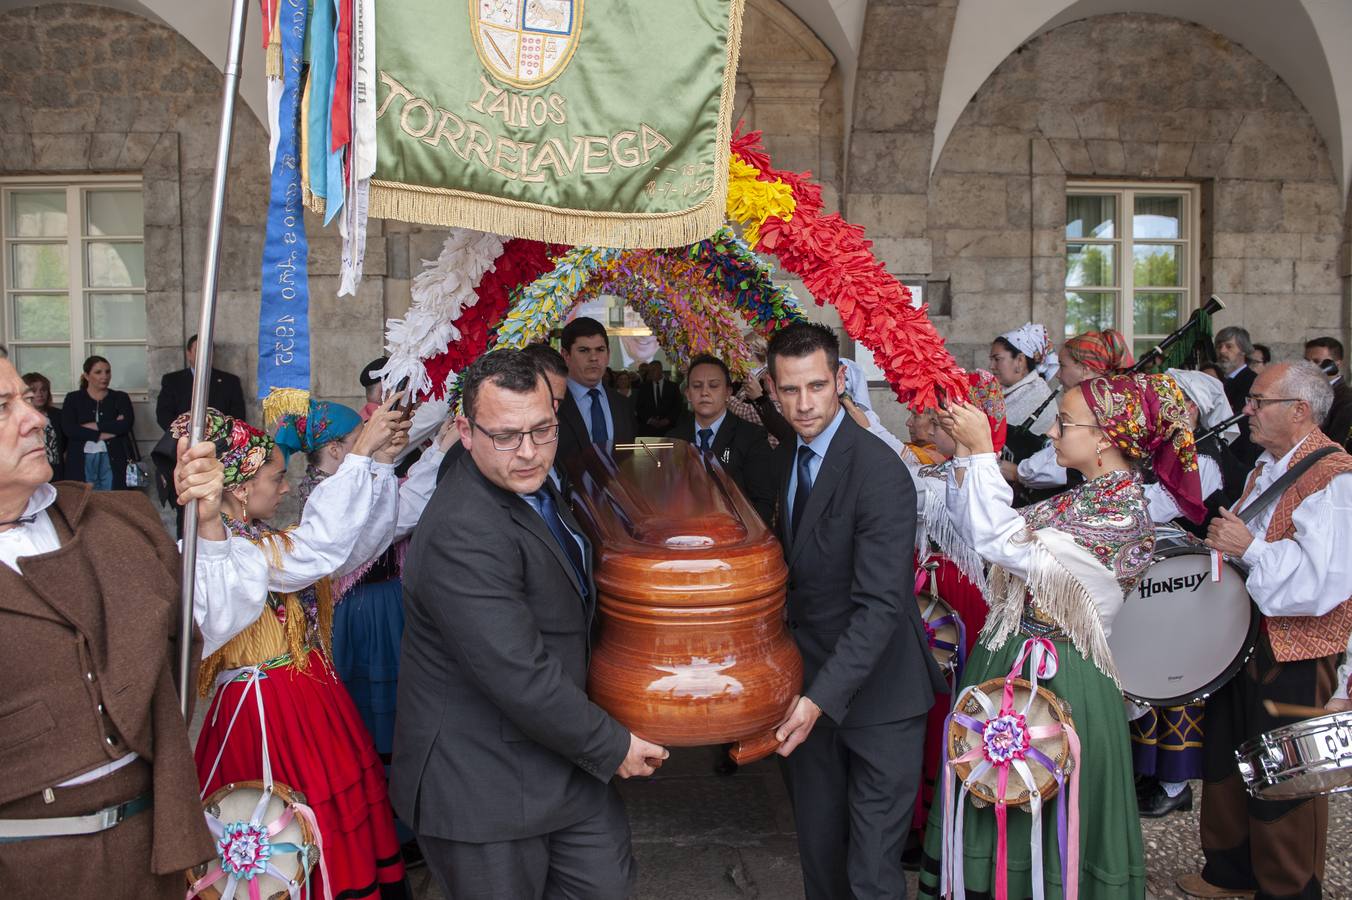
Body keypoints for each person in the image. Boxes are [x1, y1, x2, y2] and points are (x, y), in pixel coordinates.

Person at [919, 371, 1204, 900]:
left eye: (1064, 421)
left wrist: (983, 453)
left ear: (1104, 437)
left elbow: (1001, 539)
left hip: (1063, 680)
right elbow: (983, 533)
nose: (1051, 432)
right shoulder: (1080, 499)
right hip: (1010, 656)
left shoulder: (1120, 513)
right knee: (995, 795)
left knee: (1045, 805)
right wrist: (966, 454)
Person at [393, 350, 667, 899]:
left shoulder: (537, 482)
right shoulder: (463, 529)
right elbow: (515, 671)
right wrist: (612, 745)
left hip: (559, 758)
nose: (528, 452)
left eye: (542, 430)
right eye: (506, 436)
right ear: (465, 432)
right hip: (482, 782)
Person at [0, 358, 226, 899]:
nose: (33, 418)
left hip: (151, 855)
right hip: (29, 872)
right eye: (2, 408)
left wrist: (210, 522)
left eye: (24, 401)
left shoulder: (117, 520)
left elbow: (210, 622)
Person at [183, 397, 414, 900]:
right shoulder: (222, 550)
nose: (285, 487)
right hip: (267, 711)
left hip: (306, 695)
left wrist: (376, 463)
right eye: (275, 478)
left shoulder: (256, 539)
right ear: (241, 489)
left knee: (327, 808)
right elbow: (320, 547)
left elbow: (351, 548)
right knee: (281, 818)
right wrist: (360, 459)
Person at [765, 321, 943, 899]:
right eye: (790, 390)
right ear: (771, 388)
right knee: (821, 862)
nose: (804, 403)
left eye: (817, 386)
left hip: (881, 699)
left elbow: (881, 606)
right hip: (810, 690)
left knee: (871, 874)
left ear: (841, 379)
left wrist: (817, 698)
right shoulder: (786, 457)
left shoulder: (880, 471)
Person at [1182, 361, 1352, 900]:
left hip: (1297, 651)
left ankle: (1286, 889)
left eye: (1259, 401)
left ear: (1299, 411)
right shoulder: (1265, 467)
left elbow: (1322, 581)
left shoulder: (1337, 478)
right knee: (1227, 759)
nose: (1246, 410)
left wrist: (1247, 549)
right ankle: (1230, 874)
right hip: (1243, 639)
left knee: (1285, 780)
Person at [901, 370, 1007, 859]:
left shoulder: (964, 474)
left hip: (955, 598)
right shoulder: (939, 468)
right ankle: (923, 814)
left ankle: (939, 818)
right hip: (935, 587)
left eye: (942, 413)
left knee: (948, 702)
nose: (931, 419)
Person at [1002, 328, 1135, 500]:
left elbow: (1052, 470)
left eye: (1063, 366)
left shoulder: (1095, 410)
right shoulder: (1108, 403)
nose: (1057, 374)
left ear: (1085, 370)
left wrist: (1019, 472)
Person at [667, 354, 777, 524]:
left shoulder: (752, 437)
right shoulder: (674, 438)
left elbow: (764, 502)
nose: (704, 392)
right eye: (697, 386)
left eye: (713, 386)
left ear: (728, 393)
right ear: (688, 394)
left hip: (737, 538)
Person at [555, 317, 636, 466]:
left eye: (600, 350)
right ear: (566, 356)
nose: (593, 358)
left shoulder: (623, 405)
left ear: (608, 354)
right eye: (584, 350)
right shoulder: (552, 405)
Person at [61, 355, 134, 491]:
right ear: (87, 376)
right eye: (98, 372)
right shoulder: (73, 398)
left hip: (113, 456)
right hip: (82, 457)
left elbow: (125, 424)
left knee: (112, 499)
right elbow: (70, 429)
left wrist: (94, 426)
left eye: (107, 371)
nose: (104, 376)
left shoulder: (120, 397)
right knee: (86, 499)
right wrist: (104, 433)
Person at [991, 324, 1059, 465]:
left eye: (997, 359)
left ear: (1020, 361)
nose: (991, 366)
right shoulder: (1012, 392)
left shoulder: (1037, 396)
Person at [154, 334, 247, 431]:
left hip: (220, 441)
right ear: (189, 354)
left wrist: (220, 435)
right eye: (198, 350)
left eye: (208, 351)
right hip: (182, 440)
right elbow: (164, 414)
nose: (204, 355)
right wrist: (182, 433)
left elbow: (238, 416)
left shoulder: (230, 382)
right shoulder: (172, 381)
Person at [1216, 326, 1262, 467]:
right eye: (1219, 346)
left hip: (1241, 456)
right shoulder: (1220, 381)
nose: (1222, 351)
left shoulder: (1253, 382)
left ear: (1243, 350)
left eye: (1229, 346)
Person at [1304, 336, 1352, 448]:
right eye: (1306, 361)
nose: (1309, 367)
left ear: (1336, 364)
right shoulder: (1305, 392)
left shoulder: (1346, 400)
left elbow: (1337, 445)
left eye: (1316, 362)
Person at [22, 371, 63, 478]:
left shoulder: (58, 415)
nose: (39, 394)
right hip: (28, 472)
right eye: (34, 391)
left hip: (56, 472)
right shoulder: (18, 418)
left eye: (43, 390)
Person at [635, 359, 684, 437]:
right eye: (650, 371)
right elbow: (639, 407)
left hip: (669, 429)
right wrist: (650, 420)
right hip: (648, 430)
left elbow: (678, 406)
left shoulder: (672, 386)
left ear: (660, 370)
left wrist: (668, 420)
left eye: (653, 370)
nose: (651, 373)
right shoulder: (644, 387)